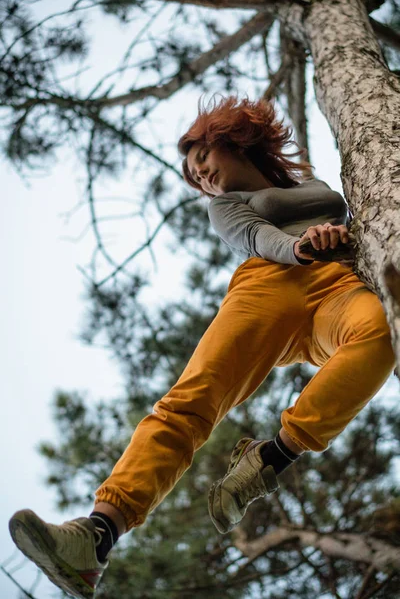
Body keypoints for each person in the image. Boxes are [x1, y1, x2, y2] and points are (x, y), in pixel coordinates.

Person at [9, 95, 395, 599]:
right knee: (192, 401)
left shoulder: (316, 186)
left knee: (385, 335)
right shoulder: (226, 207)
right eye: (195, 176)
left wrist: (334, 237)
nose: (202, 177)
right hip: (268, 286)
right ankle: (96, 536)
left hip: (340, 289)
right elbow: (259, 238)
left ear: (229, 140)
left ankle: (273, 458)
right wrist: (300, 246)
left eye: (202, 161)